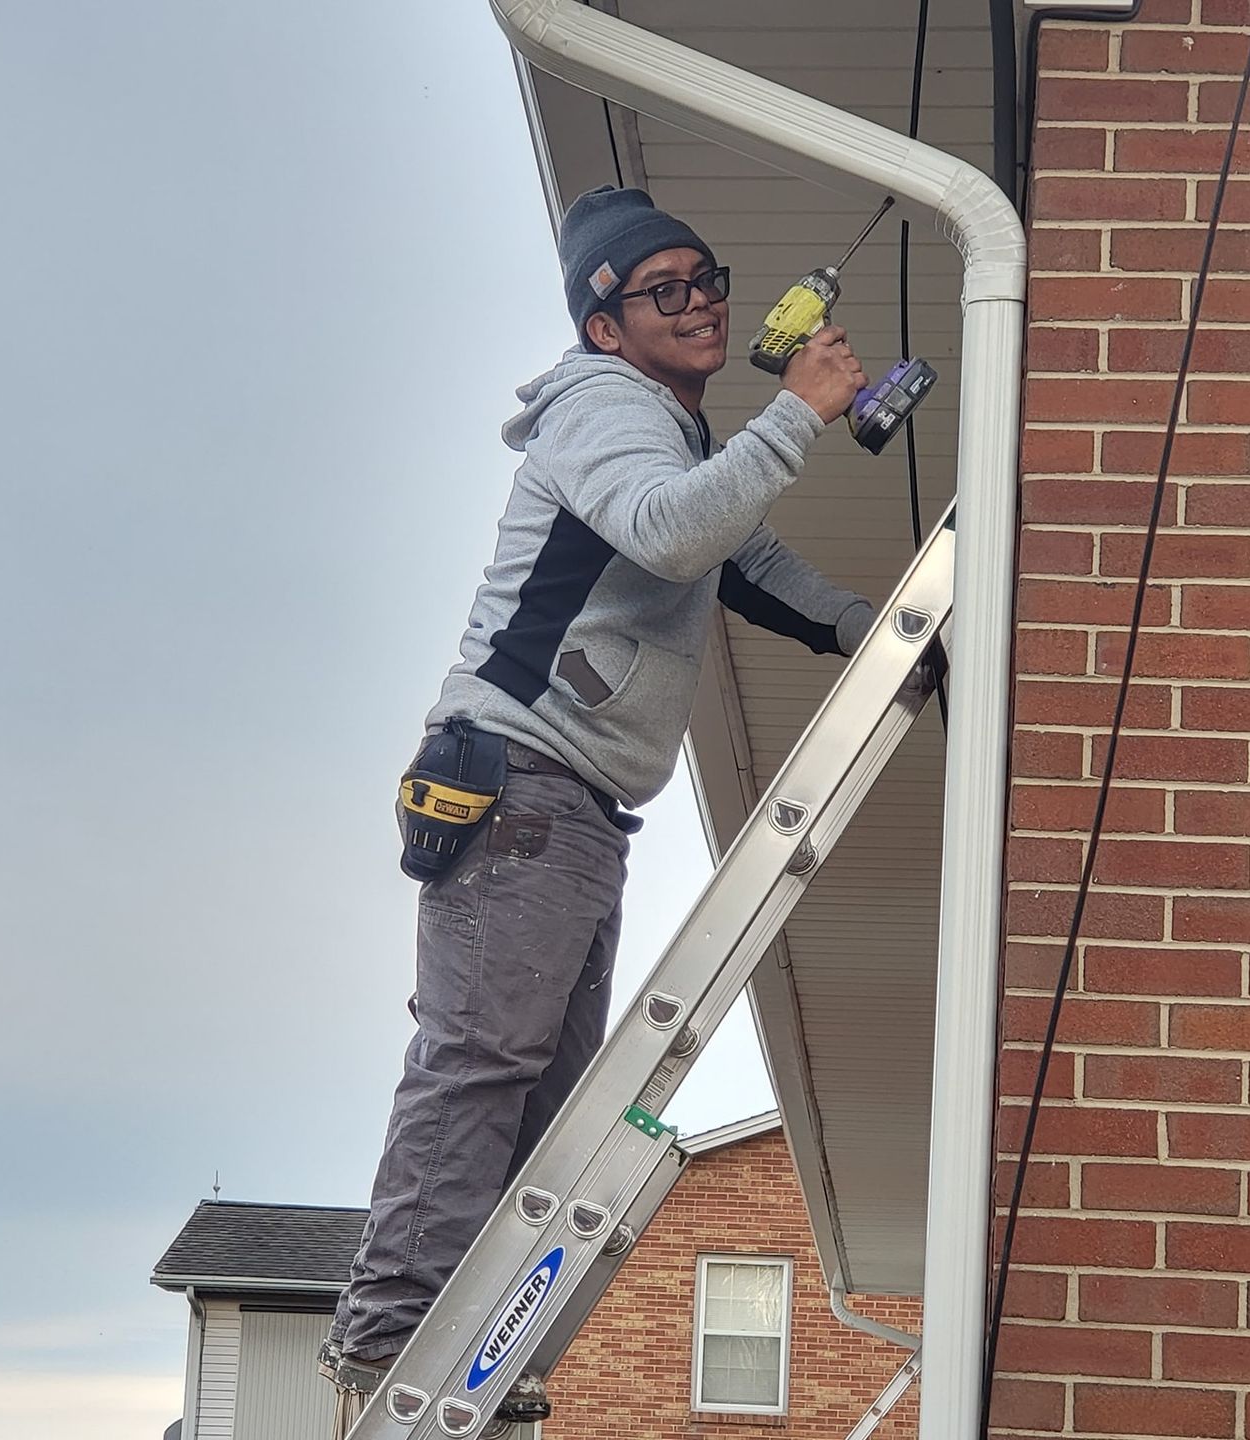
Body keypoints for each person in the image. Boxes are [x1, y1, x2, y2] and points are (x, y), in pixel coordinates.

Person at [321, 186, 876, 1430]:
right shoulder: (599, 409)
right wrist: (798, 414)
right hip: (518, 780)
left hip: (574, 809)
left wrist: (867, 628)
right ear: (603, 324)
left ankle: (480, 1355)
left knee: (548, 1101)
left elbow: (739, 554)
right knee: (479, 1067)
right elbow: (677, 536)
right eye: (660, 289)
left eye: (706, 277)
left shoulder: (671, 433)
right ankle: (392, 1344)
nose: (699, 302)